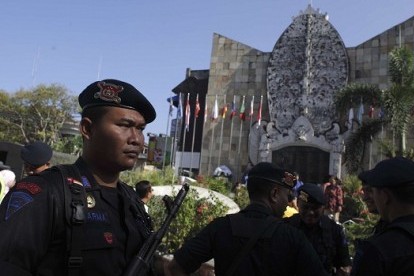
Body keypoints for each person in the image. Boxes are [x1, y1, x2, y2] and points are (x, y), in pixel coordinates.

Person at [0, 79, 156, 275]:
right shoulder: (47, 193)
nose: (136, 139)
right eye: (124, 125)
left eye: (140, 129)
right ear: (87, 129)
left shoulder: (132, 202)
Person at [165, 162, 328, 276]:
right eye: (287, 195)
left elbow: (174, 268)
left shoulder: (220, 228)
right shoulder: (292, 237)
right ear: (274, 194)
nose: (288, 202)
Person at [284, 183, 351, 275]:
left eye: (315, 208)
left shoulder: (334, 231)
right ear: (298, 205)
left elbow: (344, 266)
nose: (310, 212)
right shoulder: (286, 227)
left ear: (323, 208)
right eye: (306, 207)